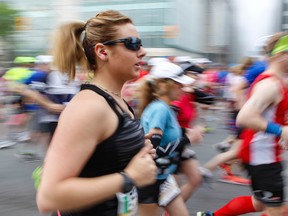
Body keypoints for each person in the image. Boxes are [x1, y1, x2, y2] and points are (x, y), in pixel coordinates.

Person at [36, 10, 157, 216]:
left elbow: (103, 157)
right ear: (102, 52)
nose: (143, 51)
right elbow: (48, 196)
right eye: (133, 43)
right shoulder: (89, 107)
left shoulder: (116, 100)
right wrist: (129, 177)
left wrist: (134, 148)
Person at [197, 32, 288, 216]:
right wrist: (280, 130)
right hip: (263, 157)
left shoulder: (279, 81)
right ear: (281, 55)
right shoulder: (270, 84)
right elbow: (245, 117)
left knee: (260, 203)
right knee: (276, 210)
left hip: (265, 155)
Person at [136, 61, 204, 216]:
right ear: (166, 85)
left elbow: (168, 132)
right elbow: (154, 150)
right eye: (179, 85)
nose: (184, 89)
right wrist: (188, 139)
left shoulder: (165, 107)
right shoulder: (160, 109)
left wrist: (187, 131)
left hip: (164, 178)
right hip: (151, 181)